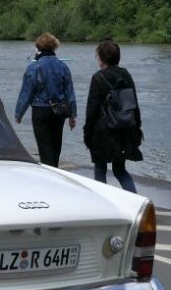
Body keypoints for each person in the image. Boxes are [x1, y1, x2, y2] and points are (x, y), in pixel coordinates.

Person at [83, 40, 142, 192]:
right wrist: (137, 128)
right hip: (124, 129)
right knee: (120, 170)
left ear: (102, 58)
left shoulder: (98, 78)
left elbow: (92, 109)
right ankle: (134, 200)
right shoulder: (126, 75)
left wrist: (87, 134)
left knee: (100, 168)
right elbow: (134, 104)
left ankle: (103, 204)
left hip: (103, 132)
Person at [15, 33, 77, 168]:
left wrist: (19, 113)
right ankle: (55, 170)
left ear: (39, 48)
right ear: (54, 48)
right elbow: (70, 94)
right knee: (56, 147)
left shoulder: (34, 67)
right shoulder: (63, 67)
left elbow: (27, 93)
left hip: (40, 110)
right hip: (59, 111)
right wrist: (72, 115)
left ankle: (50, 175)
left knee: (44, 148)